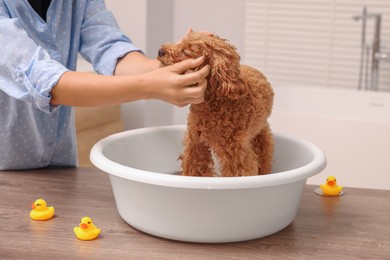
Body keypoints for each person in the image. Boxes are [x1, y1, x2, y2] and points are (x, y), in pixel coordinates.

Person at [0, 0, 210, 170]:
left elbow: (110, 47)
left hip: (60, 166)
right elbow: (47, 83)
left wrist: (168, 66)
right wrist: (150, 86)